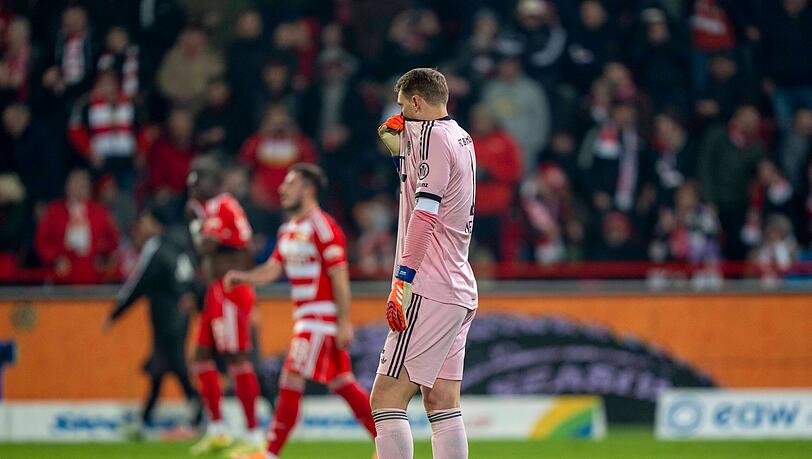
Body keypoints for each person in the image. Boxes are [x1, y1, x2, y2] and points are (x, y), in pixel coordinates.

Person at [225, 164, 377, 459]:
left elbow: (340, 276)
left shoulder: (322, 226)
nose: (282, 189)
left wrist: (344, 322)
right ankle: (387, 442)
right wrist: (244, 278)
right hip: (307, 318)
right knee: (343, 383)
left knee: (291, 378)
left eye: (290, 184)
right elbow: (272, 269)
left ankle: (269, 453)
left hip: (320, 319)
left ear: (307, 190)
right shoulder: (289, 229)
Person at [374, 68, 477, 459]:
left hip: (428, 286)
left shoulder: (432, 136)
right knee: (442, 402)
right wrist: (392, 134)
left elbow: (425, 212)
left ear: (417, 102)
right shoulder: (460, 137)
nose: (400, 114)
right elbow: (406, 152)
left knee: (385, 399)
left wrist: (403, 279)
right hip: (458, 285)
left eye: (403, 106)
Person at [186, 157, 263, 456]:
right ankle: (218, 429)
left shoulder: (220, 205)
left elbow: (206, 245)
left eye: (197, 181)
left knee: (237, 359)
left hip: (230, 289)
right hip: (217, 290)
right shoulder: (217, 206)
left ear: (211, 181)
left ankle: (255, 435)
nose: (193, 188)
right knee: (200, 356)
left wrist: (194, 223)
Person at [103, 203, 201, 429]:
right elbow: (190, 278)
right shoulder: (178, 247)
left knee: (174, 365)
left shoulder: (155, 249)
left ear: (156, 225)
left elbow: (137, 284)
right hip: (178, 317)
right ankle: (146, 417)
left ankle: (200, 410)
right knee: (160, 367)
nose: (141, 225)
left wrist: (115, 313)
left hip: (168, 319)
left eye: (145, 220)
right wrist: (191, 296)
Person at [35, 169, 119, 284]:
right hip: (61, 276)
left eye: (83, 184)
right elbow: (42, 241)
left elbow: (113, 241)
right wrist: (55, 259)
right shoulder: (54, 211)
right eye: (75, 184)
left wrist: (103, 258)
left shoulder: (100, 212)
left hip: (93, 275)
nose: (79, 188)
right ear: (67, 187)